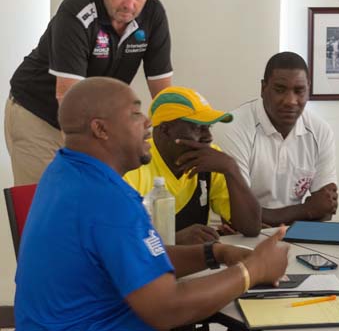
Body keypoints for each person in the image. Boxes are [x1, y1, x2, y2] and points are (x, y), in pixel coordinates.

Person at [14, 77, 289, 330]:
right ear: (101, 129)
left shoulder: (64, 170)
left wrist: (215, 253)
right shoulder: (110, 200)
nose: (148, 122)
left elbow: (142, 259)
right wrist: (253, 270)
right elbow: (167, 308)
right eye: (135, 114)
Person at [5, 0, 173, 187]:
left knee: (89, 205)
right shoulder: (77, 11)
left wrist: (174, 135)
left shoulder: (152, 14)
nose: (130, 3)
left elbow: (163, 94)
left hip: (92, 123)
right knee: (48, 204)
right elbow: (68, 97)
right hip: (38, 115)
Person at [124, 86, 261, 244]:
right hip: (151, 267)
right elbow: (120, 245)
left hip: (200, 264)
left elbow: (251, 227)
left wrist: (232, 169)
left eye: (208, 127)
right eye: (198, 128)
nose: (208, 137)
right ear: (165, 130)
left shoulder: (213, 161)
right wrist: (175, 240)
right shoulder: (133, 166)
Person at [219, 52, 338, 226]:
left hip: (296, 236)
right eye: (280, 90)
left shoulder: (320, 131)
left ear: (308, 89)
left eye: (299, 91)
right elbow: (240, 217)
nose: (290, 101)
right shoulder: (232, 128)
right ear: (263, 88)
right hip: (236, 239)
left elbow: (325, 209)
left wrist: (313, 210)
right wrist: (307, 210)